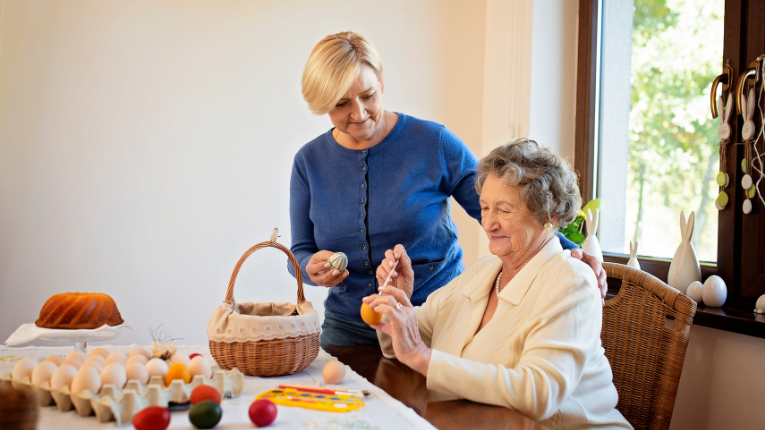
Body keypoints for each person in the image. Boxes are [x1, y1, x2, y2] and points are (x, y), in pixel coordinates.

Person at [288, 31, 605, 347]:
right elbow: (298, 252)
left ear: (381, 84)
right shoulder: (308, 162)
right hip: (347, 327)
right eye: (341, 104)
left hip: (436, 318)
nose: (358, 113)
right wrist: (308, 267)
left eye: (368, 95)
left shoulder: (432, 143)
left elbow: (504, 208)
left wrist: (569, 251)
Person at [363, 139, 632, 429]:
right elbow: (411, 343)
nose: (489, 223)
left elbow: (538, 393)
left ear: (548, 216)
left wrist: (421, 356)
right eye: (485, 207)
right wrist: (398, 303)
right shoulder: (485, 270)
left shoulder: (573, 283)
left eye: (504, 210)